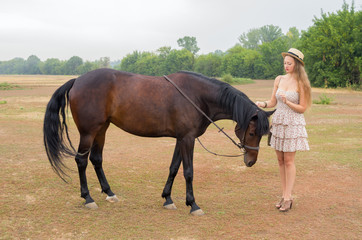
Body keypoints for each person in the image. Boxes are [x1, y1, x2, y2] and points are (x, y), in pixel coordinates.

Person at [256, 48, 312, 212]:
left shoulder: (301, 83)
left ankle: (288, 198)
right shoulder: (279, 79)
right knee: (280, 161)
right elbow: (273, 101)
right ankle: (284, 195)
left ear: (297, 65)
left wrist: (288, 102)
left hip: (293, 123)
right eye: (285, 63)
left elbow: (302, 108)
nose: (286, 66)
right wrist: (262, 104)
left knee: (289, 161)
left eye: (289, 63)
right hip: (279, 123)